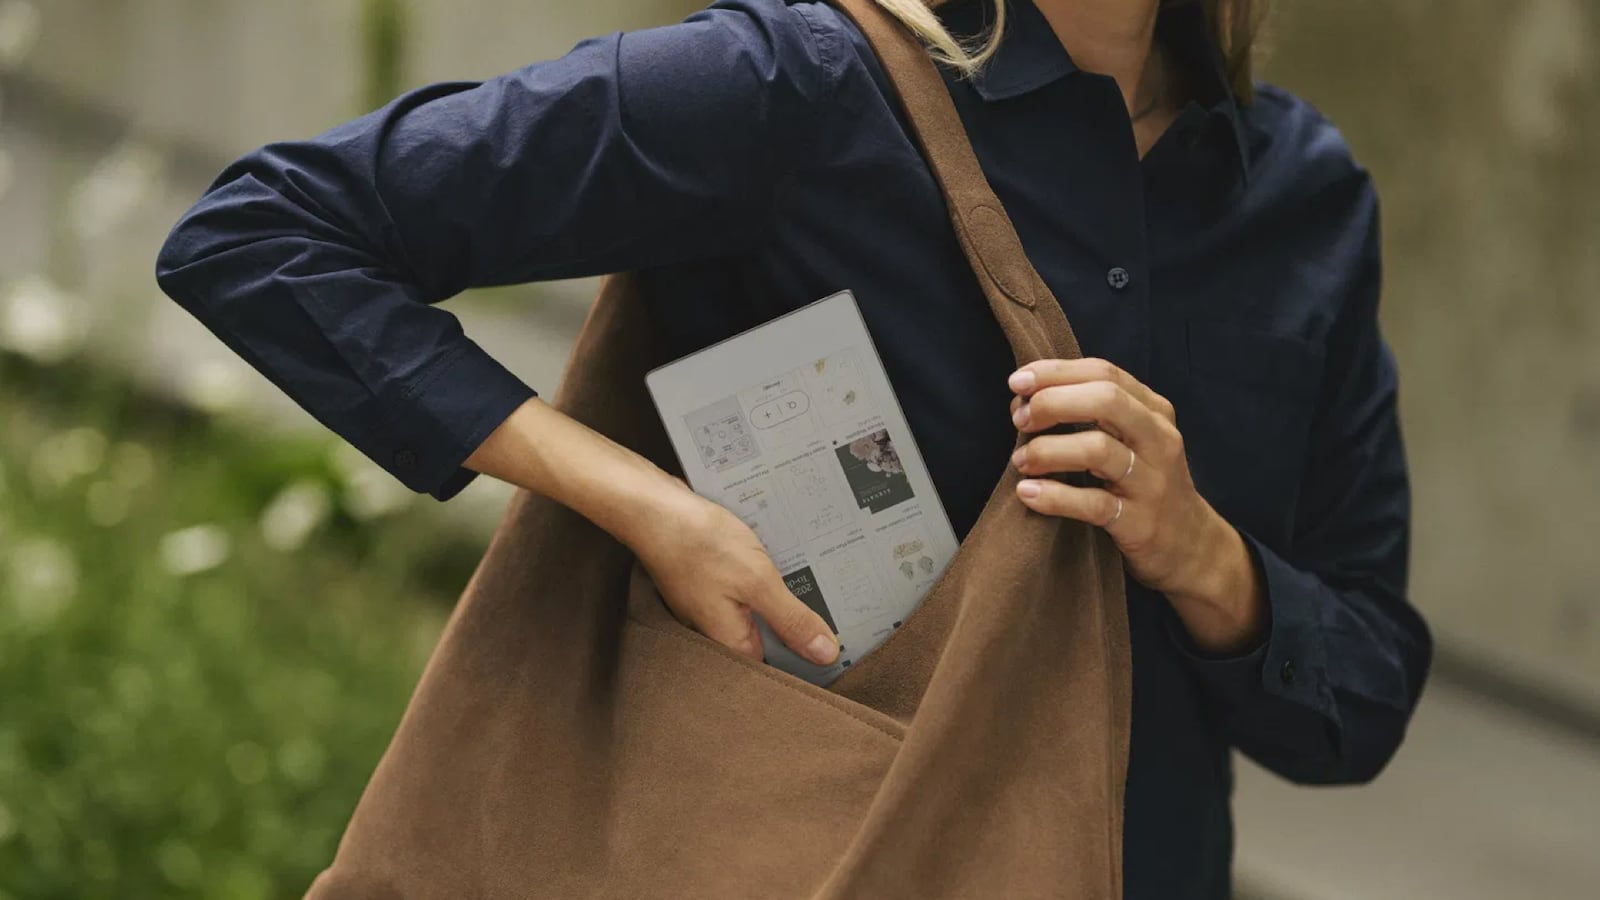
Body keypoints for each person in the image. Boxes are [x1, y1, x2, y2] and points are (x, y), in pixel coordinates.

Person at [154, 0, 1433, 896]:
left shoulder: (1301, 197)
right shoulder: (793, 89)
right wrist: (643, 503)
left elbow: (1361, 700)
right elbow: (264, 234)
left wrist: (1199, 550)